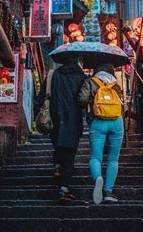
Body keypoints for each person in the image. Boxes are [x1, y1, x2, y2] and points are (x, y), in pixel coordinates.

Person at [78, 63, 124, 204]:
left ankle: (98, 177)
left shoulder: (91, 81)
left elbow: (82, 100)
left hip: (98, 121)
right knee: (113, 159)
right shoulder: (116, 84)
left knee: (95, 157)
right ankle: (109, 191)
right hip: (117, 121)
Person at [49, 59, 86, 200]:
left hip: (55, 119)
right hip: (73, 121)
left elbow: (42, 96)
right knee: (70, 155)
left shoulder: (54, 75)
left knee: (58, 146)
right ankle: (64, 189)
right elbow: (84, 99)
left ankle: (57, 165)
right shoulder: (81, 77)